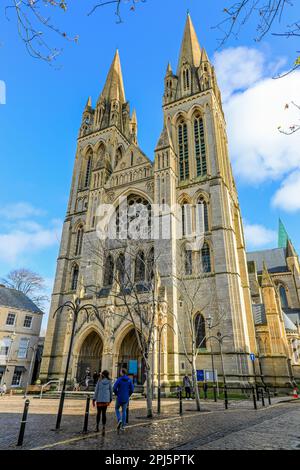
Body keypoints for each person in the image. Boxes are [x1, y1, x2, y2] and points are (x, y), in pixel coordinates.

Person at [92, 370, 113, 435]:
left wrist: (94, 399)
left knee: (98, 413)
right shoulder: (109, 381)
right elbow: (111, 390)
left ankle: (97, 427)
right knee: (104, 413)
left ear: (103, 374)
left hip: (99, 399)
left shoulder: (99, 381)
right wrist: (110, 398)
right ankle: (103, 427)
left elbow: (96, 390)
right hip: (106, 400)